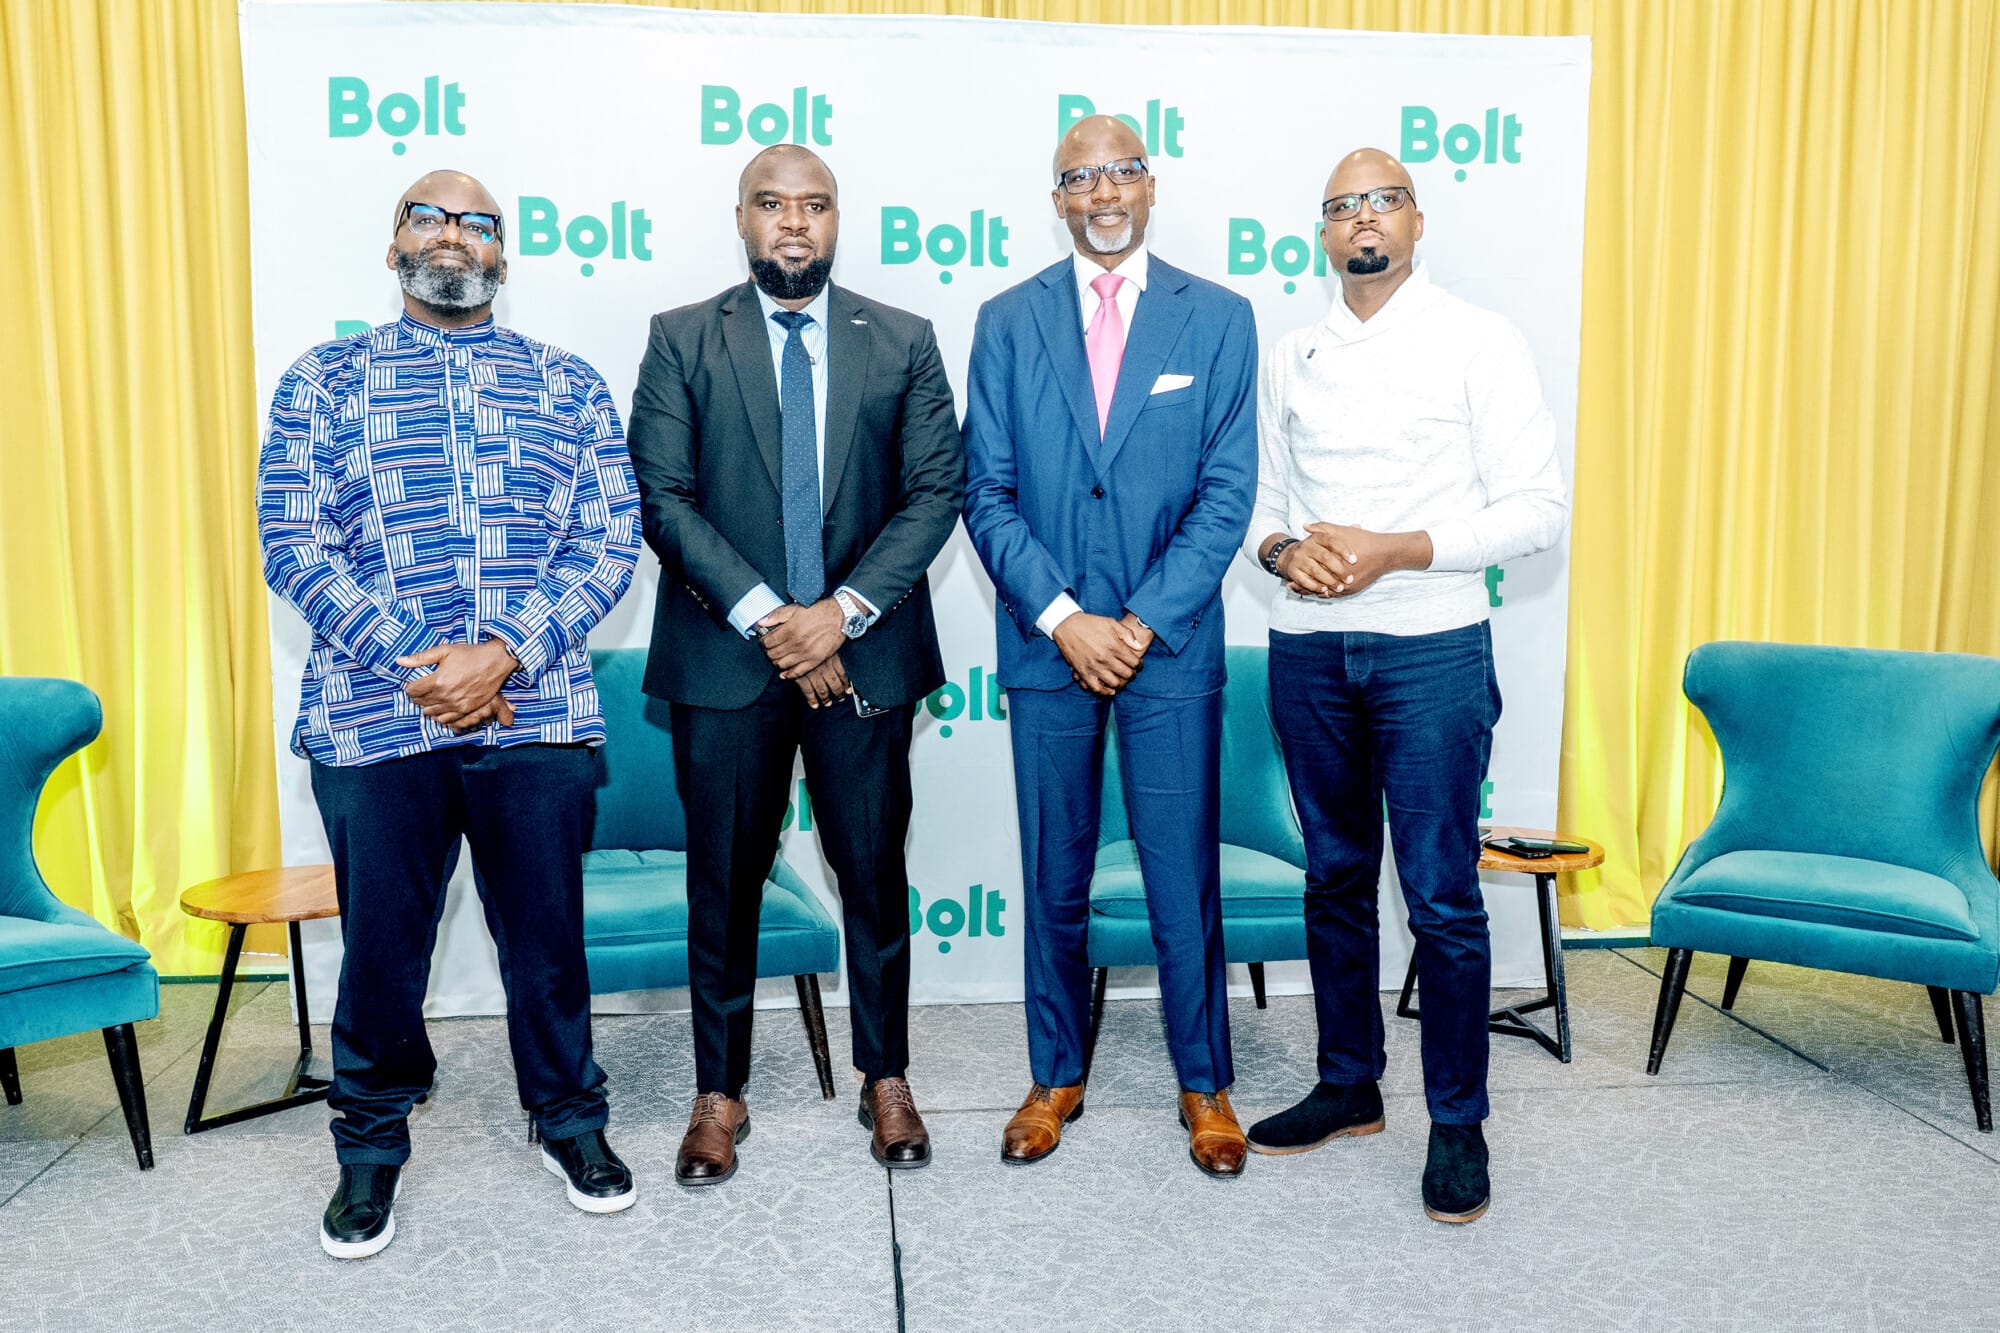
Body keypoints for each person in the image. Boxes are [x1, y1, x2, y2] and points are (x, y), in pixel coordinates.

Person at [257, 170, 643, 1259]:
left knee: (546, 944)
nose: (453, 235)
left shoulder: (566, 383)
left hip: (535, 712)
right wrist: (418, 664)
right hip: (375, 717)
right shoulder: (323, 380)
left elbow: (609, 538)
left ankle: (569, 1118)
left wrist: (504, 652)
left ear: (501, 256)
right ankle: (370, 1144)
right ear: (394, 247)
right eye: (428, 216)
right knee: (382, 951)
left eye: (478, 223)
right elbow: (292, 539)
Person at [1242, 148, 1570, 1223]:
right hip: (1307, 648)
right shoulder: (1290, 355)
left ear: (1417, 221)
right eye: (1341, 207)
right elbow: (1259, 503)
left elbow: (1536, 511)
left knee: (1440, 895)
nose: (1363, 219)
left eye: (1383, 200)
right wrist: (1283, 551)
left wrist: (1398, 549)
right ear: (1323, 234)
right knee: (1334, 877)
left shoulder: (1479, 339)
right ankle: (1349, 1084)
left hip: (1430, 647)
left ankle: (1458, 1122)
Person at [627, 145, 963, 1184]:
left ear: (836, 220)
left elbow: (934, 492)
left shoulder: (901, 339)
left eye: (813, 206)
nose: (792, 223)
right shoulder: (683, 337)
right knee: (723, 884)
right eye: (771, 204)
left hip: (865, 655)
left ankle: (885, 1075)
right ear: (741, 217)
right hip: (727, 659)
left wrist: (839, 615)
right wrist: (780, 621)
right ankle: (718, 1091)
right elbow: (663, 497)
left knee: (872, 875)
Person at [962, 116, 1259, 1177]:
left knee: (1182, 878)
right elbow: (985, 490)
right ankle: (1054, 1074)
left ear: (1149, 183)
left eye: (1120, 171)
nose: (1101, 192)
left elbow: (1227, 492)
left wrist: (1134, 624)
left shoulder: (1218, 317)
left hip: (1167, 648)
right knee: (1053, 873)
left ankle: (1203, 1082)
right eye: (1078, 177)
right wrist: (1064, 617)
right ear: (1056, 199)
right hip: (1048, 647)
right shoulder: (1005, 321)